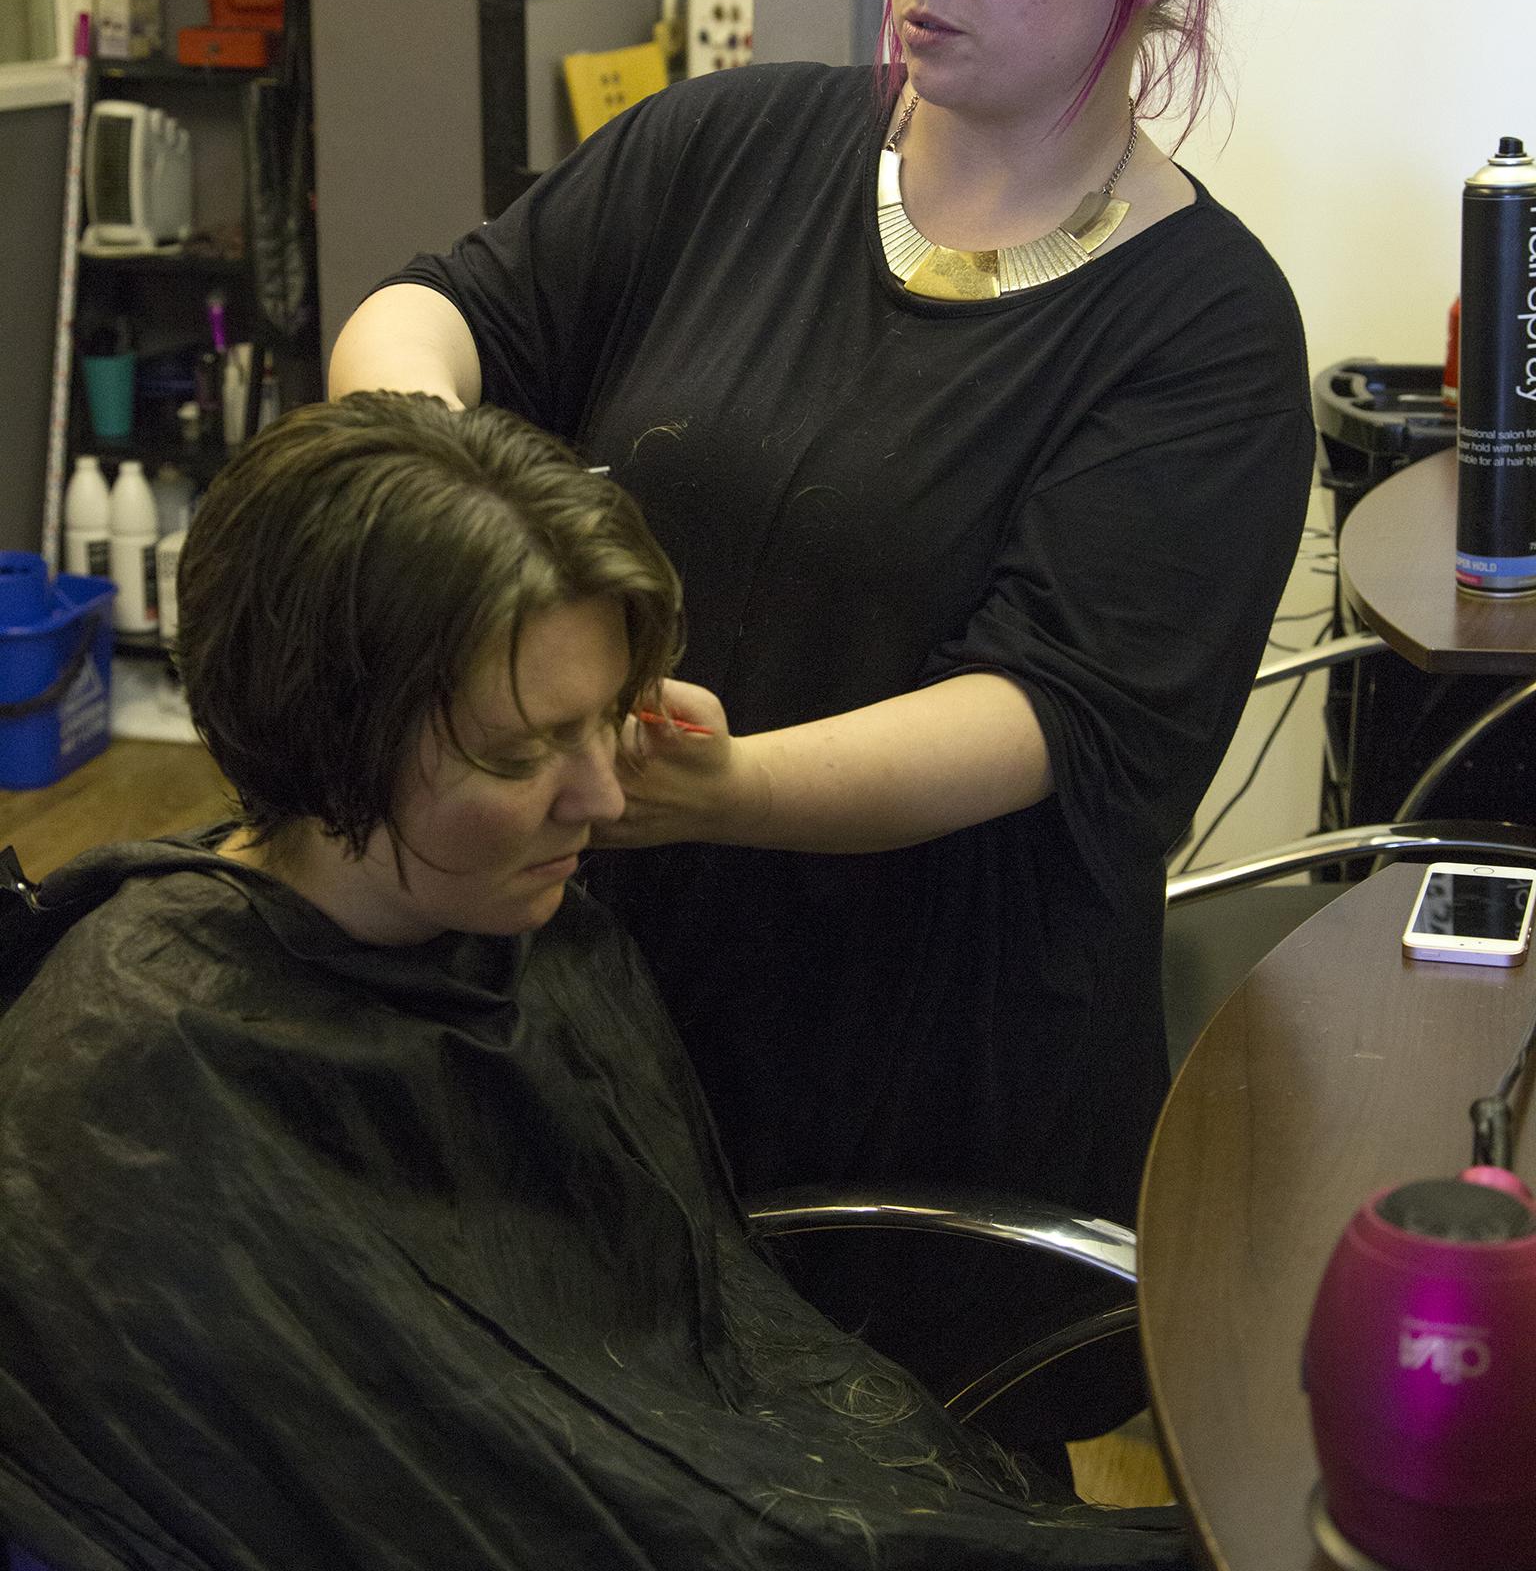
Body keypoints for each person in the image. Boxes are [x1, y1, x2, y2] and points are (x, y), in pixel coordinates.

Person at [327, 0, 1316, 1423]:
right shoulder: (725, 148)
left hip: (914, 1124)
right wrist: (425, 497)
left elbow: (1045, 712)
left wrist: (727, 783)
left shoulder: (1207, 332)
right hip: (590, 1036)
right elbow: (439, 309)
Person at [0, 394, 1192, 1571]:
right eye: (522, 753)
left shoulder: (525, 915)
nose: (608, 799)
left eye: (606, 720)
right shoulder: (137, 1086)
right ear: (324, 731)